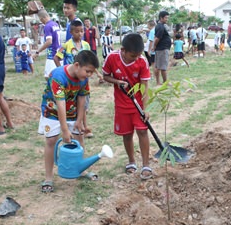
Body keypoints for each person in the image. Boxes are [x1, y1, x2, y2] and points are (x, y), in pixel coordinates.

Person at [37, 50, 100, 193]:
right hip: (52, 112)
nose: (89, 75)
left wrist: (79, 121)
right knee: (51, 141)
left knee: (79, 138)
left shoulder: (83, 78)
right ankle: (48, 177)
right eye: (88, 71)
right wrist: (64, 130)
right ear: (77, 65)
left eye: (92, 72)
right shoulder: (57, 76)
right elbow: (60, 103)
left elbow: (82, 98)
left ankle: (81, 170)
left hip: (72, 112)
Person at [102, 33, 153, 179]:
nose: (136, 58)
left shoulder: (142, 62)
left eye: (138, 55)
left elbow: (145, 86)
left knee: (143, 132)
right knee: (127, 134)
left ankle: (146, 164)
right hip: (121, 104)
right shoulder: (112, 58)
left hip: (137, 105)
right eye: (133, 55)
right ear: (123, 50)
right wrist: (117, 82)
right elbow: (105, 76)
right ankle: (131, 161)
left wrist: (145, 108)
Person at [32, 9, 61, 80]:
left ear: (43, 18)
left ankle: (55, 90)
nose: (41, 21)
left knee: (48, 77)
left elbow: (49, 41)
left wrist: (37, 52)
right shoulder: (55, 24)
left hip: (52, 54)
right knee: (58, 75)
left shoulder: (47, 26)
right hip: (59, 53)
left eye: (40, 19)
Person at [150, 11, 171, 85]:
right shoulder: (160, 27)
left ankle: (158, 82)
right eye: (165, 18)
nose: (166, 19)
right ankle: (164, 82)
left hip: (161, 48)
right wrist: (154, 46)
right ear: (161, 18)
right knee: (163, 66)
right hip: (162, 49)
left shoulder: (160, 26)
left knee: (158, 66)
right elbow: (157, 38)